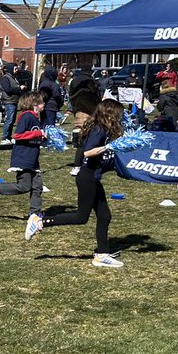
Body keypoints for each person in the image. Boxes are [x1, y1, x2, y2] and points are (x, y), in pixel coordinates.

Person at [26, 98, 125, 268]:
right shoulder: (99, 129)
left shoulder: (100, 128)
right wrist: (110, 147)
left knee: (104, 215)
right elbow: (87, 152)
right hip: (87, 178)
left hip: (92, 178)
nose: (120, 118)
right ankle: (41, 221)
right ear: (110, 113)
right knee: (81, 217)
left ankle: (102, 254)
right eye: (118, 114)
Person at [0, 91, 44, 214]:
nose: (44, 104)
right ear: (34, 103)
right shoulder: (26, 116)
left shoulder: (35, 117)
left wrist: (43, 138)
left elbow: (32, 137)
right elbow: (18, 135)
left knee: (37, 187)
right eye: (41, 102)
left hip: (33, 158)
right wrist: (38, 133)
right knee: (24, 186)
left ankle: (35, 213)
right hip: (24, 158)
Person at [0, 66, 22, 144]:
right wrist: (19, 88)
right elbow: (8, 89)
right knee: (9, 120)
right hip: (8, 101)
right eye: (15, 69)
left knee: (12, 120)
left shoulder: (14, 78)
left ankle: (9, 137)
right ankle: (5, 138)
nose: (16, 70)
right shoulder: (5, 78)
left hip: (14, 101)